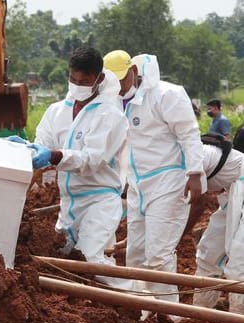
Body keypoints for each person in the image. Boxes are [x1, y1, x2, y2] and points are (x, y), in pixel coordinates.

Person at [14, 46, 133, 290]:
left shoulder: (110, 116)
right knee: (64, 260)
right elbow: (42, 146)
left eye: (84, 81)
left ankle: (135, 303)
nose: (77, 85)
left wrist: (55, 156)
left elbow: (92, 160)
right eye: (73, 79)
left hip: (99, 201)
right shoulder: (57, 111)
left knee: (89, 260)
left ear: (99, 79)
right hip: (68, 203)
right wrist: (24, 150)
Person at [104, 50, 205, 303]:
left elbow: (188, 134)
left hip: (168, 182)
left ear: (133, 72)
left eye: (120, 79)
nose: (117, 86)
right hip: (139, 183)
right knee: (135, 253)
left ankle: (168, 316)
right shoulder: (115, 101)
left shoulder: (166, 95)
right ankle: (142, 313)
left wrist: (194, 173)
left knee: (159, 255)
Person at [185, 140, 244, 314]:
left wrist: (178, 236)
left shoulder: (189, 155)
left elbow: (198, 203)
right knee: (208, 253)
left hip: (239, 187)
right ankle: (200, 313)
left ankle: (238, 321)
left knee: (240, 262)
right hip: (233, 190)